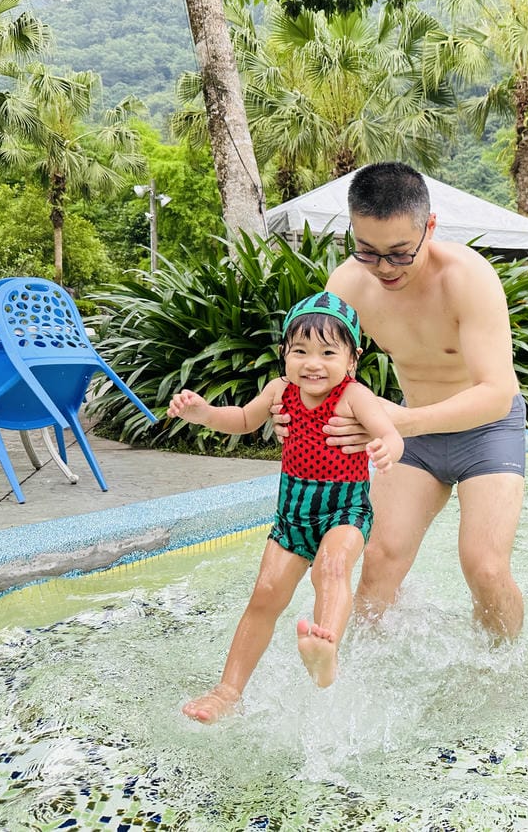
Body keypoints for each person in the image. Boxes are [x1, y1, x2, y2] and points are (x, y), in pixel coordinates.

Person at [272, 161, 526, 642]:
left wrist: (401, 423)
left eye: (399, 254)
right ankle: (365, 673)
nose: (384, 268)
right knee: (379, 563)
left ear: (429, 227)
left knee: (485, 567)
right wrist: (292, 414)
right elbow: (321, 372)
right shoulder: (347, 285)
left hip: (486, 433)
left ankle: (505, 668)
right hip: (411, 435)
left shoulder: (467, 278)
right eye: (367, 251)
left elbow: (496, 394)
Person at [168, 292, 403, 723]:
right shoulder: (280, 390)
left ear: (352, 359)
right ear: (284, 355)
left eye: (328, 352)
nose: (313, 363)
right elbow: (241, 420)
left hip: (344, 510)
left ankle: (325, 646)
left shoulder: (356, 397)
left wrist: (387, 446)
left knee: (330, 569)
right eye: (301, 351)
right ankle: (227, 691)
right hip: (292, 516)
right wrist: (203, 414)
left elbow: (391, 431)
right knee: (264, 596)